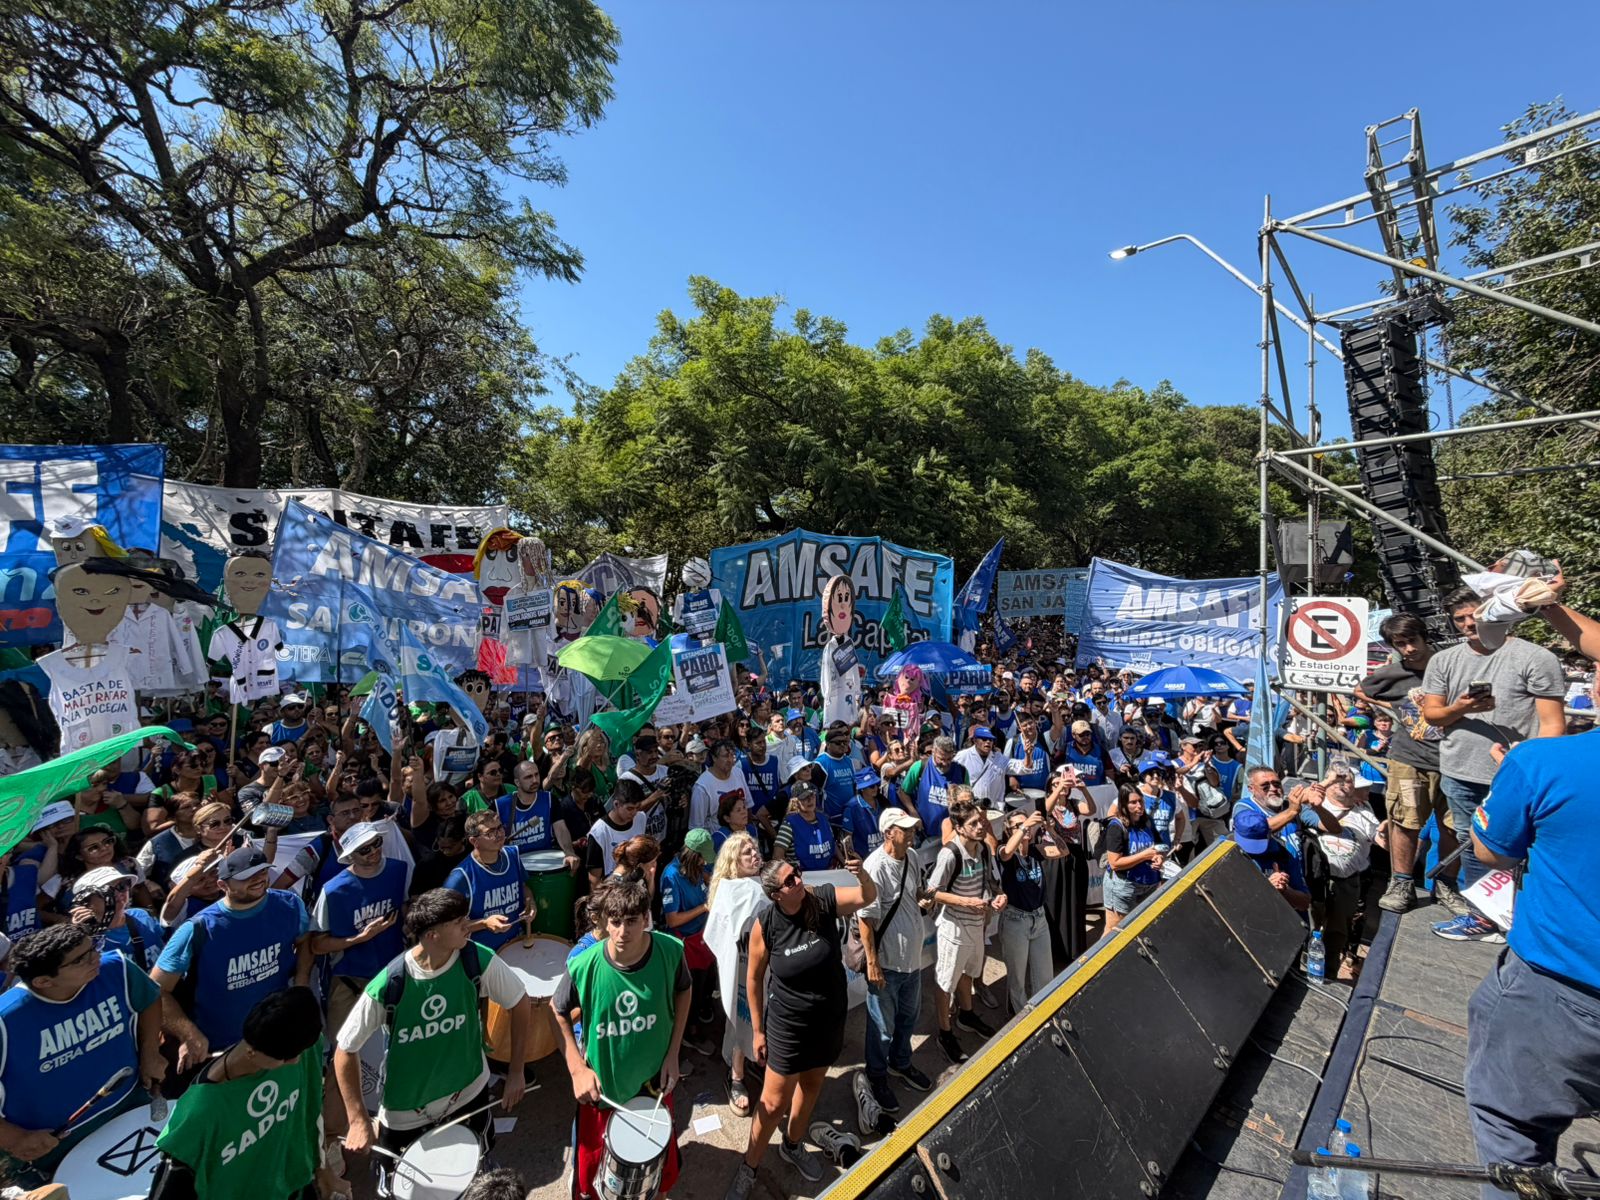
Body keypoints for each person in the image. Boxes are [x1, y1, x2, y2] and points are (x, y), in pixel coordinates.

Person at [1461, 689, 1600, 1198]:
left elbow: (1491, 850)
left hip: (1561, 995)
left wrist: (1510, 779)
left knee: (1513, 1141)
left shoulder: (1542, 762)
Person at [335, 888, 530, 1156]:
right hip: (406, 1116)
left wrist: (517, 1071)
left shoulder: (476, 958)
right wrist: (357, 1119)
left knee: (480, 1174)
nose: (468, 925)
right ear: (432, 935)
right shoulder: (390, 983)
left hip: (470, 1097)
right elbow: (345, 1049)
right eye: (458, 922)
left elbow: (520, 1001)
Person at [725, 854, 875, 1197]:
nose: (799, 881)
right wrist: (758, 1031)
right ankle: (749, 1166)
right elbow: (753, 979)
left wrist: (863, 875)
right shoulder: (766, 924)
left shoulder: (821, 899)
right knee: (773, 1103)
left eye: (797, 873)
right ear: (775, 894)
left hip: (828, 1020)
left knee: (811, 1085)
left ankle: (792, 1145)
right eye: (790, 880)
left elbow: (866, 897)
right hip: (788, 1027)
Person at [1421, 587, 1564, 938]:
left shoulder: (1535, 657)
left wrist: (1530, 767)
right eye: (1460, 619)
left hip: (1516, 775)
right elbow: (1431, 715)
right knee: (1471, 842)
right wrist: (1461, 708)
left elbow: (1553, 725)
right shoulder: (1443, 660)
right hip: (1460, 769)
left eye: (1475, 615)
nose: (1468, 623)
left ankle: (1524, 918)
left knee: (1525, 847)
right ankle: (1482, 916)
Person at [554, 874, 690, 1200]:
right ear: (603, 921)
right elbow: (557, 1011)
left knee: (657, 1176)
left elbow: (684, 990)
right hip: (604, 1092)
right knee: (596, 1183)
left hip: (654, 1087)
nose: (622, 932)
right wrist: (577, 1069)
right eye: (615, 922)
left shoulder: (670, 951)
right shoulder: (583, 965)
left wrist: (673, 1053)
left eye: (631, 922)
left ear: (646, 918)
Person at [0, 925, 164, 1182]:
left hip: (129, 1110)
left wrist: (150, 1052)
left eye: (93, 947)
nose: (95, 956)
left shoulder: (117, 969)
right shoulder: (6, 1020)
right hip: (53, 1150)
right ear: (44, 981)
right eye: (80, 959)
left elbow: (149, 998)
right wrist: (13, 1138)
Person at [153, 986, 327, 1200]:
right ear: (252, 1051)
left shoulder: (301, 1048)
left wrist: (322, 1169)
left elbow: (312, 1113)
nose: (295, 1061)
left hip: (295, 1187)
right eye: (285, 1057)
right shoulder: (198, 1116)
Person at [153, 846, 310, 1071]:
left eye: (262, 871)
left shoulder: (290, 905)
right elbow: (155, 989)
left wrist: (301, 985)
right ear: (223, 885)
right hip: (218, 1052)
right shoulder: (199, 928)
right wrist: (188, 1033)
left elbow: (305, 942)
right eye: (247, 876)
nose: (258, 879)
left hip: (275, 1040)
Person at [1358, 613, 1460, 916]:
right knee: (1405, 822)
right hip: (1410, 759)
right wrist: (1397, 707)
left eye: (1412, 641)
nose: (1409, 649)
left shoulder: (1450, 663)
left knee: (1454, 826)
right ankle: (1401, 883)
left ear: (1424, 636)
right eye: (1400, 644)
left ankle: (1446, 885)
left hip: (1455, 759)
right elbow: (1361, 690)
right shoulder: (1394, 672)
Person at [857, 807, 933, 1120]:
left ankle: (900, 1063)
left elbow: (914, 892)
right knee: (881, 1029)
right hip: (887, 963)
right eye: (905, 828)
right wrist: (872, 963)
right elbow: (865, 919)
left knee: (908, 1018)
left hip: (911, 960)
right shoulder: (874, 867)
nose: (912, 832)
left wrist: (924, 897)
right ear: (889, 832)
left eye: (912, 827)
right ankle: (876, 1076)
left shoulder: (912, 856)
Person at [311, 822, 409, 1040]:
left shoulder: (399, 870)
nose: (373, 851)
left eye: (377, 843)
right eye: (364, 849)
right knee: (343, 1044)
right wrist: (360, 938)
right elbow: (317, 945)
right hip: (349, 980)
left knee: (396, 1041)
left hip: (392, 973)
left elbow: (405, 906)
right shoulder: (333, 890)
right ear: (350, 856)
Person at [926, 797, 1001, 1065]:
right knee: (945, 981)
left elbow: (991, 882)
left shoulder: (983, 849)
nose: (981, 826)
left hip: (976, 926)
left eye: (980, 821)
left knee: (968, 972)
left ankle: (966, 1015)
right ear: (958, 827)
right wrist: (966, 902)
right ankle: (945, 1033)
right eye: (973, 823)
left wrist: (998, 896)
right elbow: (932, 893)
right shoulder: (949, 854)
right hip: (954, 929)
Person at [704, 833, 765, 1118]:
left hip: (769, 966)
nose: (754, 854)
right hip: (742, 967)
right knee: (743, 1020)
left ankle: (759, 1061)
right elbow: (720, 935)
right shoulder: (728, 892)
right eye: (746, 852)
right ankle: (737, 1076)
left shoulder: (767, 882)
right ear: (733, 861)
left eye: (754, 849)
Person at [997, 806, 1064, 1015]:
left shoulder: (1036, 850)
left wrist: (1050, 829)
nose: (1024, 828)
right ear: (1008, 831)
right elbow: (1006, 853)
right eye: (1016, 825)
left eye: (1025, 823)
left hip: (1039, 919)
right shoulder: (1004, 851)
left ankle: (1042, 1015)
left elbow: (1063, 851)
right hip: (1015, 920)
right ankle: (1021, 1018)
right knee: (1017, 978)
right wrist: (1025, 825)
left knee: (1044, 975)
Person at [444, 810, 534, 953]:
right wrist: (485, 923)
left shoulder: (513, 856)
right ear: (474, 841)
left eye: (500, 827)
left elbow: (523, 887)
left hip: (516, 944)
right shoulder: (460, 877)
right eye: (490, 832)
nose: (499, 834)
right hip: (483, 954)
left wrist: (530, 902)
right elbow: (448, 926)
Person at [661, 827, 718, 1045]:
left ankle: (703, 1012)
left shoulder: (697, 868)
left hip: (703, 937)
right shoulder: (672, 876)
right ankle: (689, 1033)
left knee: (707, 982)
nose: (705, 863)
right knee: (691, 990)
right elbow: (672, 919)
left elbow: (708, 879)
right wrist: (704, 907)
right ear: (694, 856)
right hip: (686, 945)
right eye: (703, 859)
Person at [1102, 784, 1163, 937]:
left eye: (1141, 801)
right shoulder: (1116, 827)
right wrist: (1144, 856)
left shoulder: (1147, 821)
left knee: (1142, 930)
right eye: (1133, 802)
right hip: (1124, 887)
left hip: (1149, 884)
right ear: (1124, 805)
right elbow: (1115, 863)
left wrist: (1159, 857)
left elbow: (1158, 847)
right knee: (1115, 932)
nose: (1139, 806)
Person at [900, 736, 967, 845]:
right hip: (924, 832)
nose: (945, 763)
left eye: (949, 759)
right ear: (933, 752)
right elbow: (903, 792)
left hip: (953, 833)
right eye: (941, 759)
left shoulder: (961, 771)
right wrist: (913, 812)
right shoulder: (920, 767)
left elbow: (967, 798)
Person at [584, 778, 647, 887]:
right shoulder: (599, 832)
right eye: (630, 808)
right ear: (616, 804)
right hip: (612, 891)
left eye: (637, 807)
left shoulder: (641, 818)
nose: (634, 813)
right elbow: (594, 879)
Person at [773, 779, 835, 871]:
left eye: (812, 795)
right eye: (804, 797)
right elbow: (777, 856)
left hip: (828, 872)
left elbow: (833, 844)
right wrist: (792, 874)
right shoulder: (789, 824)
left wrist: (844, 861)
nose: (810, 800)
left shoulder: (824, 819)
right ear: (795, 802)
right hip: (802, 875)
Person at [693, 740, 750, 833]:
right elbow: (696, 827)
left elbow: (748, 805)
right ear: (714, 758)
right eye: (726, 756)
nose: (730, 760)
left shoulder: (738, 772)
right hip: (718, 838)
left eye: (732, 755)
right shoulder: (702, 787)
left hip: (741, 836)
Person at [811, 722, 857, 820]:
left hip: (850, 817)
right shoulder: (820, 764)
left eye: (844, 742)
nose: (842, 745)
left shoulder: (849, 761)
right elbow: (813, 793)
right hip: (831, 819)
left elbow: (854, 787)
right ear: (828, 744)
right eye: (838, 743)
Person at [953, 726, 1005, 808]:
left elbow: (1020, 767)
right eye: (984, 739)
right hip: (970, 806)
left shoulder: (999, 757)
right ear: (975, 740)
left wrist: (1027, 754)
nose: (988, 742)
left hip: (993, 807)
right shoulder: (963, 755)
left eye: (990, 739)